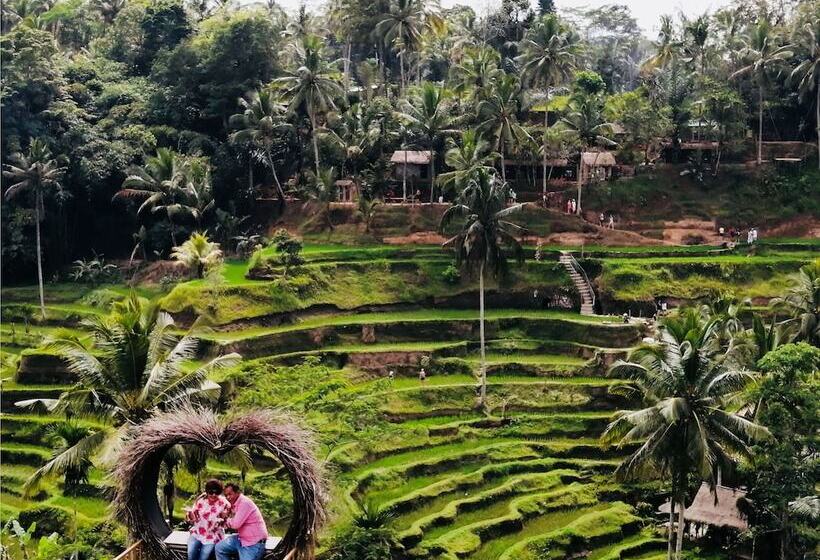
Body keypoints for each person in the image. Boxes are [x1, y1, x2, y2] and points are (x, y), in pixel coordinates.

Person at [215, 483, 268, 560]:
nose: (228, 497)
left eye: (230, 494)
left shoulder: (244, 503)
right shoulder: (234, 503)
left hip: (254, 543)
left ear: (237, 492)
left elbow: (235, 525)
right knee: (219, 548)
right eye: (226, 495)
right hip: (241, 539)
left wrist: (225, 518)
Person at [187, 479, 232, 560]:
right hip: (197, 532)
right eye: (211, 492)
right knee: (190, 553)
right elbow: (193, 519)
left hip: (213, 535)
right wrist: (189, 515)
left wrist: (221, 520)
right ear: (207, 491)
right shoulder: (201, 499)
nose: (214, 495)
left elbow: (226, 522)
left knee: (204, 556)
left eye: (217, 492)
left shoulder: (224, 503)